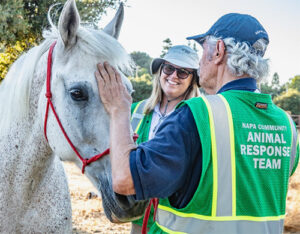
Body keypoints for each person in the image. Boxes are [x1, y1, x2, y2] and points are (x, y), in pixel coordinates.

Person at [95, 13, 299, 234]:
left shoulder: (198, 115)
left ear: (218, 50)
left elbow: (126, 180)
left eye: (203, 50)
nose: (200, 60)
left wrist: (118, 109)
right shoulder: (286, 126)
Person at [130, 45, 200, 232]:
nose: (174, 76)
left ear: (193, 80)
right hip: (138, 216)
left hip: (174, 223)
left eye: (183, 72)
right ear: (160, 71)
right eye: (169, 68)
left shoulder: (198, 120)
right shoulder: (134, 111)